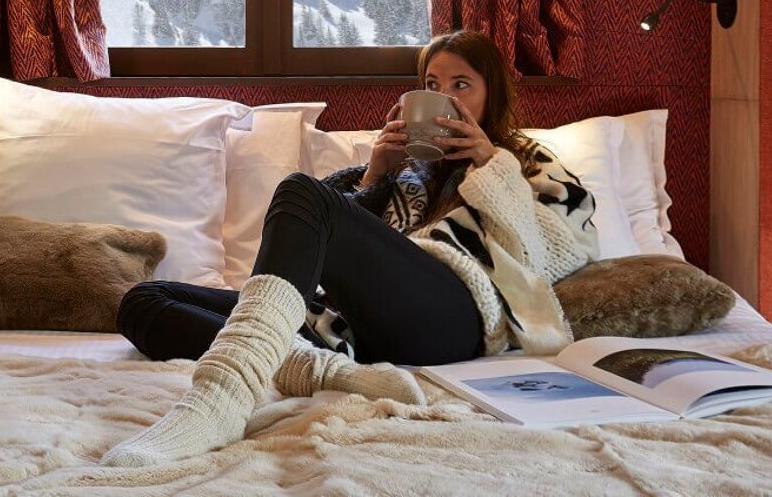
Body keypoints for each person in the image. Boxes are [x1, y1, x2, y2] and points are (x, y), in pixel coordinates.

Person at [101, 30, 599, 467]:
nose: (443, 98)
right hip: (352, 328)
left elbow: (555, 253)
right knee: (144, 301)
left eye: (460, 85)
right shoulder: (408, 171)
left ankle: (221, 399)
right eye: (431, 86)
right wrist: (374, 176)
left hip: (451, 317)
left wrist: (492, 166)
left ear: (493, 92)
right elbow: (333, 256)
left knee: (301, 191)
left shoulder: (526, 162)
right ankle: (323, 371)